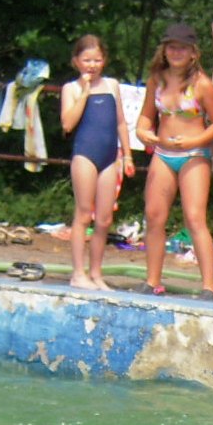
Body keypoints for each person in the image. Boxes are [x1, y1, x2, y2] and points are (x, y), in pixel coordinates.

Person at [134, 23, 213, 299]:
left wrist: (195, 141)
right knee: (154, 215)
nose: (176, 52)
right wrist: (142, 131)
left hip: (193, 155)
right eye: (171, 47)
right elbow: (146, 115)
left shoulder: (202, 84)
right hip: (163, 153)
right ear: (164, 50)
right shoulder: (157, 80)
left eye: (182, 48)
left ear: (193, 52)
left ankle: (209, 285)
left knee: (194, 217)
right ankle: (153, 280)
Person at [60, 34, 135, 291]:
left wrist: (127, 154)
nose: (92, 65)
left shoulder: (112, 85)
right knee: (83, 214)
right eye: (87, 60)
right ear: (76, 61)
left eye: (97, 60)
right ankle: (77, 273)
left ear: (104, 61)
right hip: (85, 155)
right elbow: (67, 124)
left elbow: (121, 122)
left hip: (109, 156)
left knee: (103, 219)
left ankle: (95, 273)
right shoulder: (71, 88)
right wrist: (85, 91)